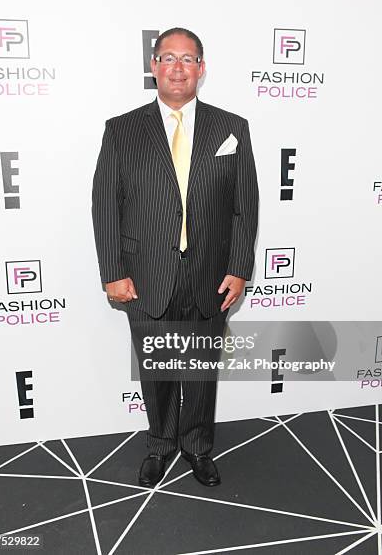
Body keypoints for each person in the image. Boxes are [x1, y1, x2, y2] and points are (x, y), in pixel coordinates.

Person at [92, 27, 258, 488]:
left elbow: (246, 207)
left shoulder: (232, 128)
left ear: (201, 69)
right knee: (158, 369)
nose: (178, 67)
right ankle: (161, 446)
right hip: (146, 275)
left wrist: (239, 268)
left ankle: (198, 447)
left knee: (201, 371)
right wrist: (113, 272)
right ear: (154, 67)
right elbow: (105, 204)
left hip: (210, 275)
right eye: (168, 58)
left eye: (188, 59)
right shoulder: (121, 129)